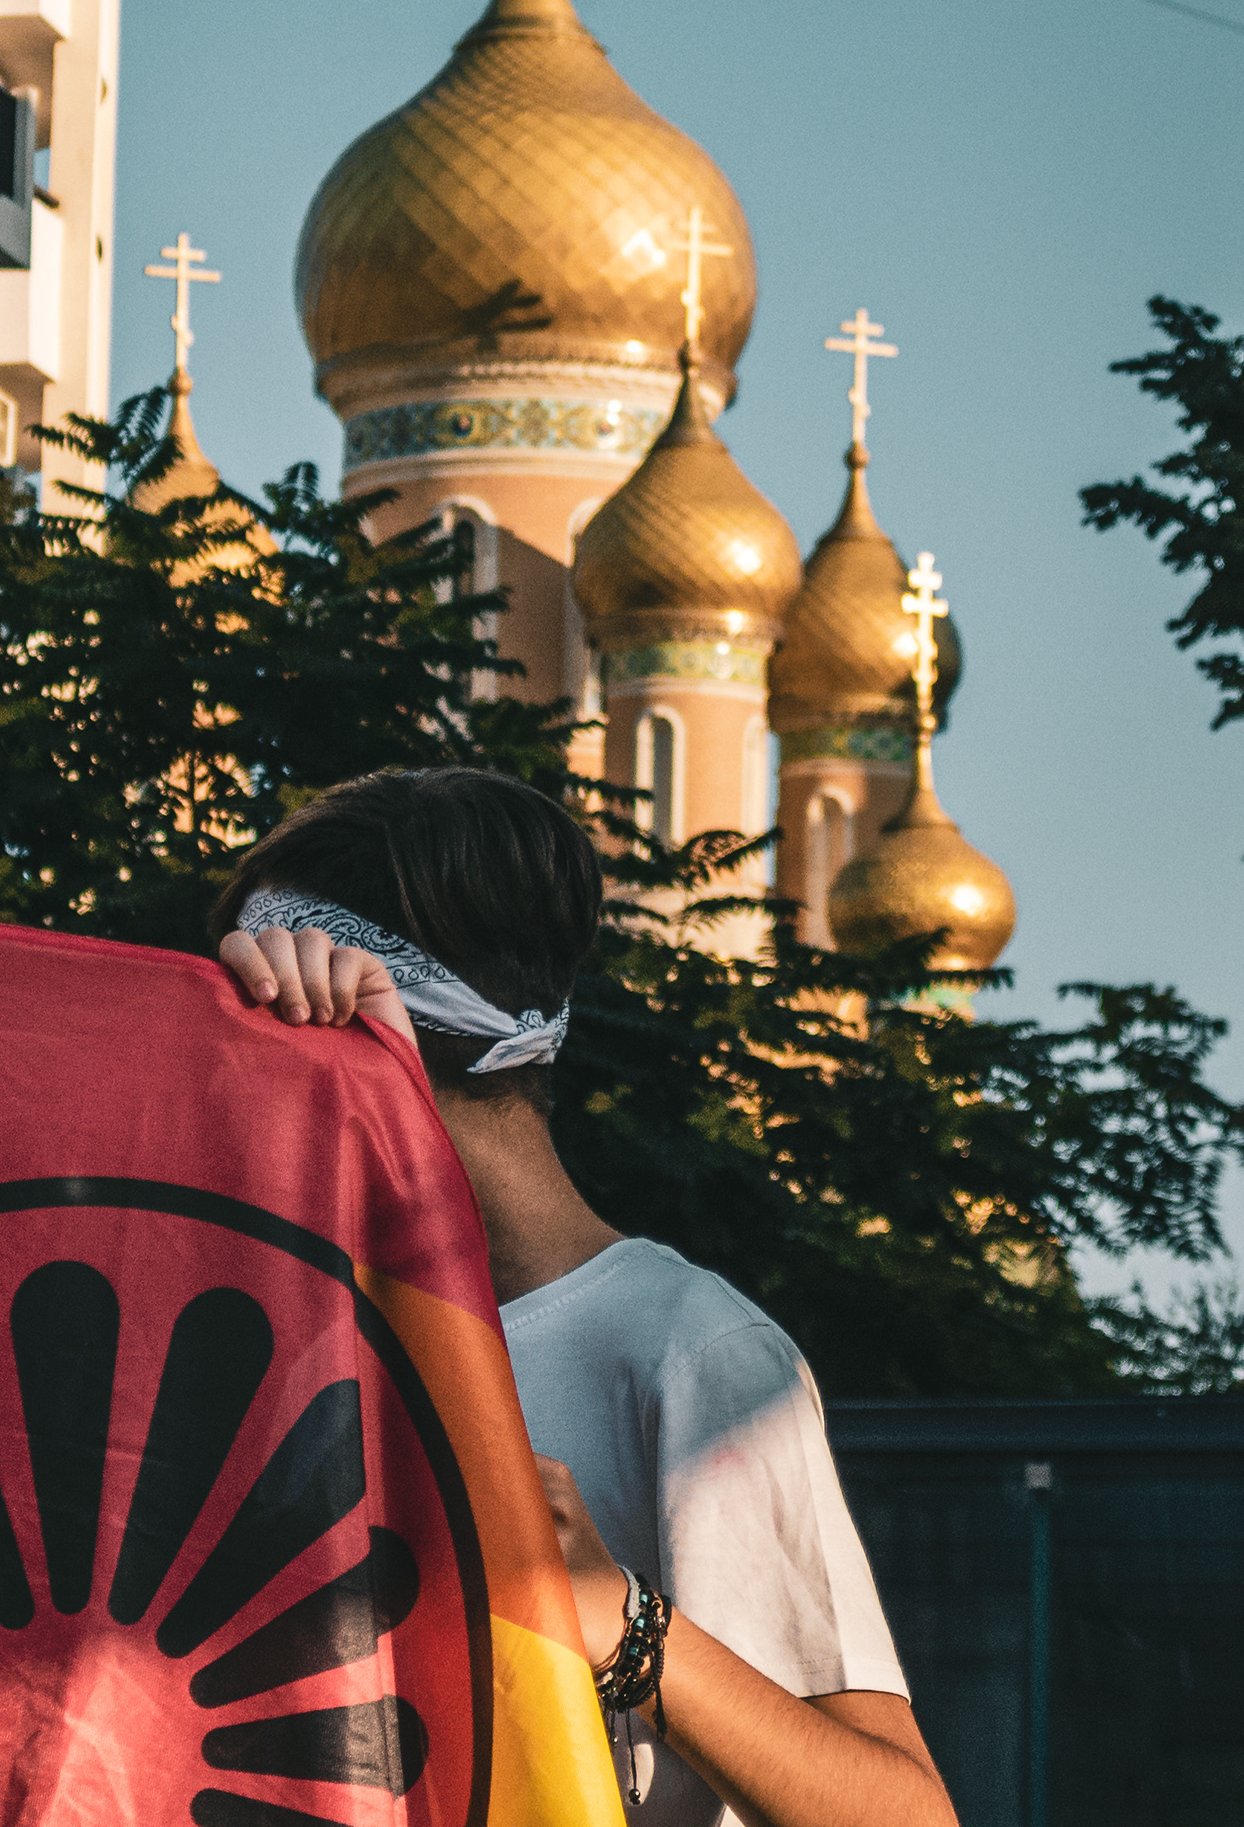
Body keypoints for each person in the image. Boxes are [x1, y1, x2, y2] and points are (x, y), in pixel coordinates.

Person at [216, 767, 952, 1827]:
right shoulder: (283, 1343)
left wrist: (623, 1620)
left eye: (265, 1031)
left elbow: (905, 1814)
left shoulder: (690, 1349)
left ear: (372, 1034)